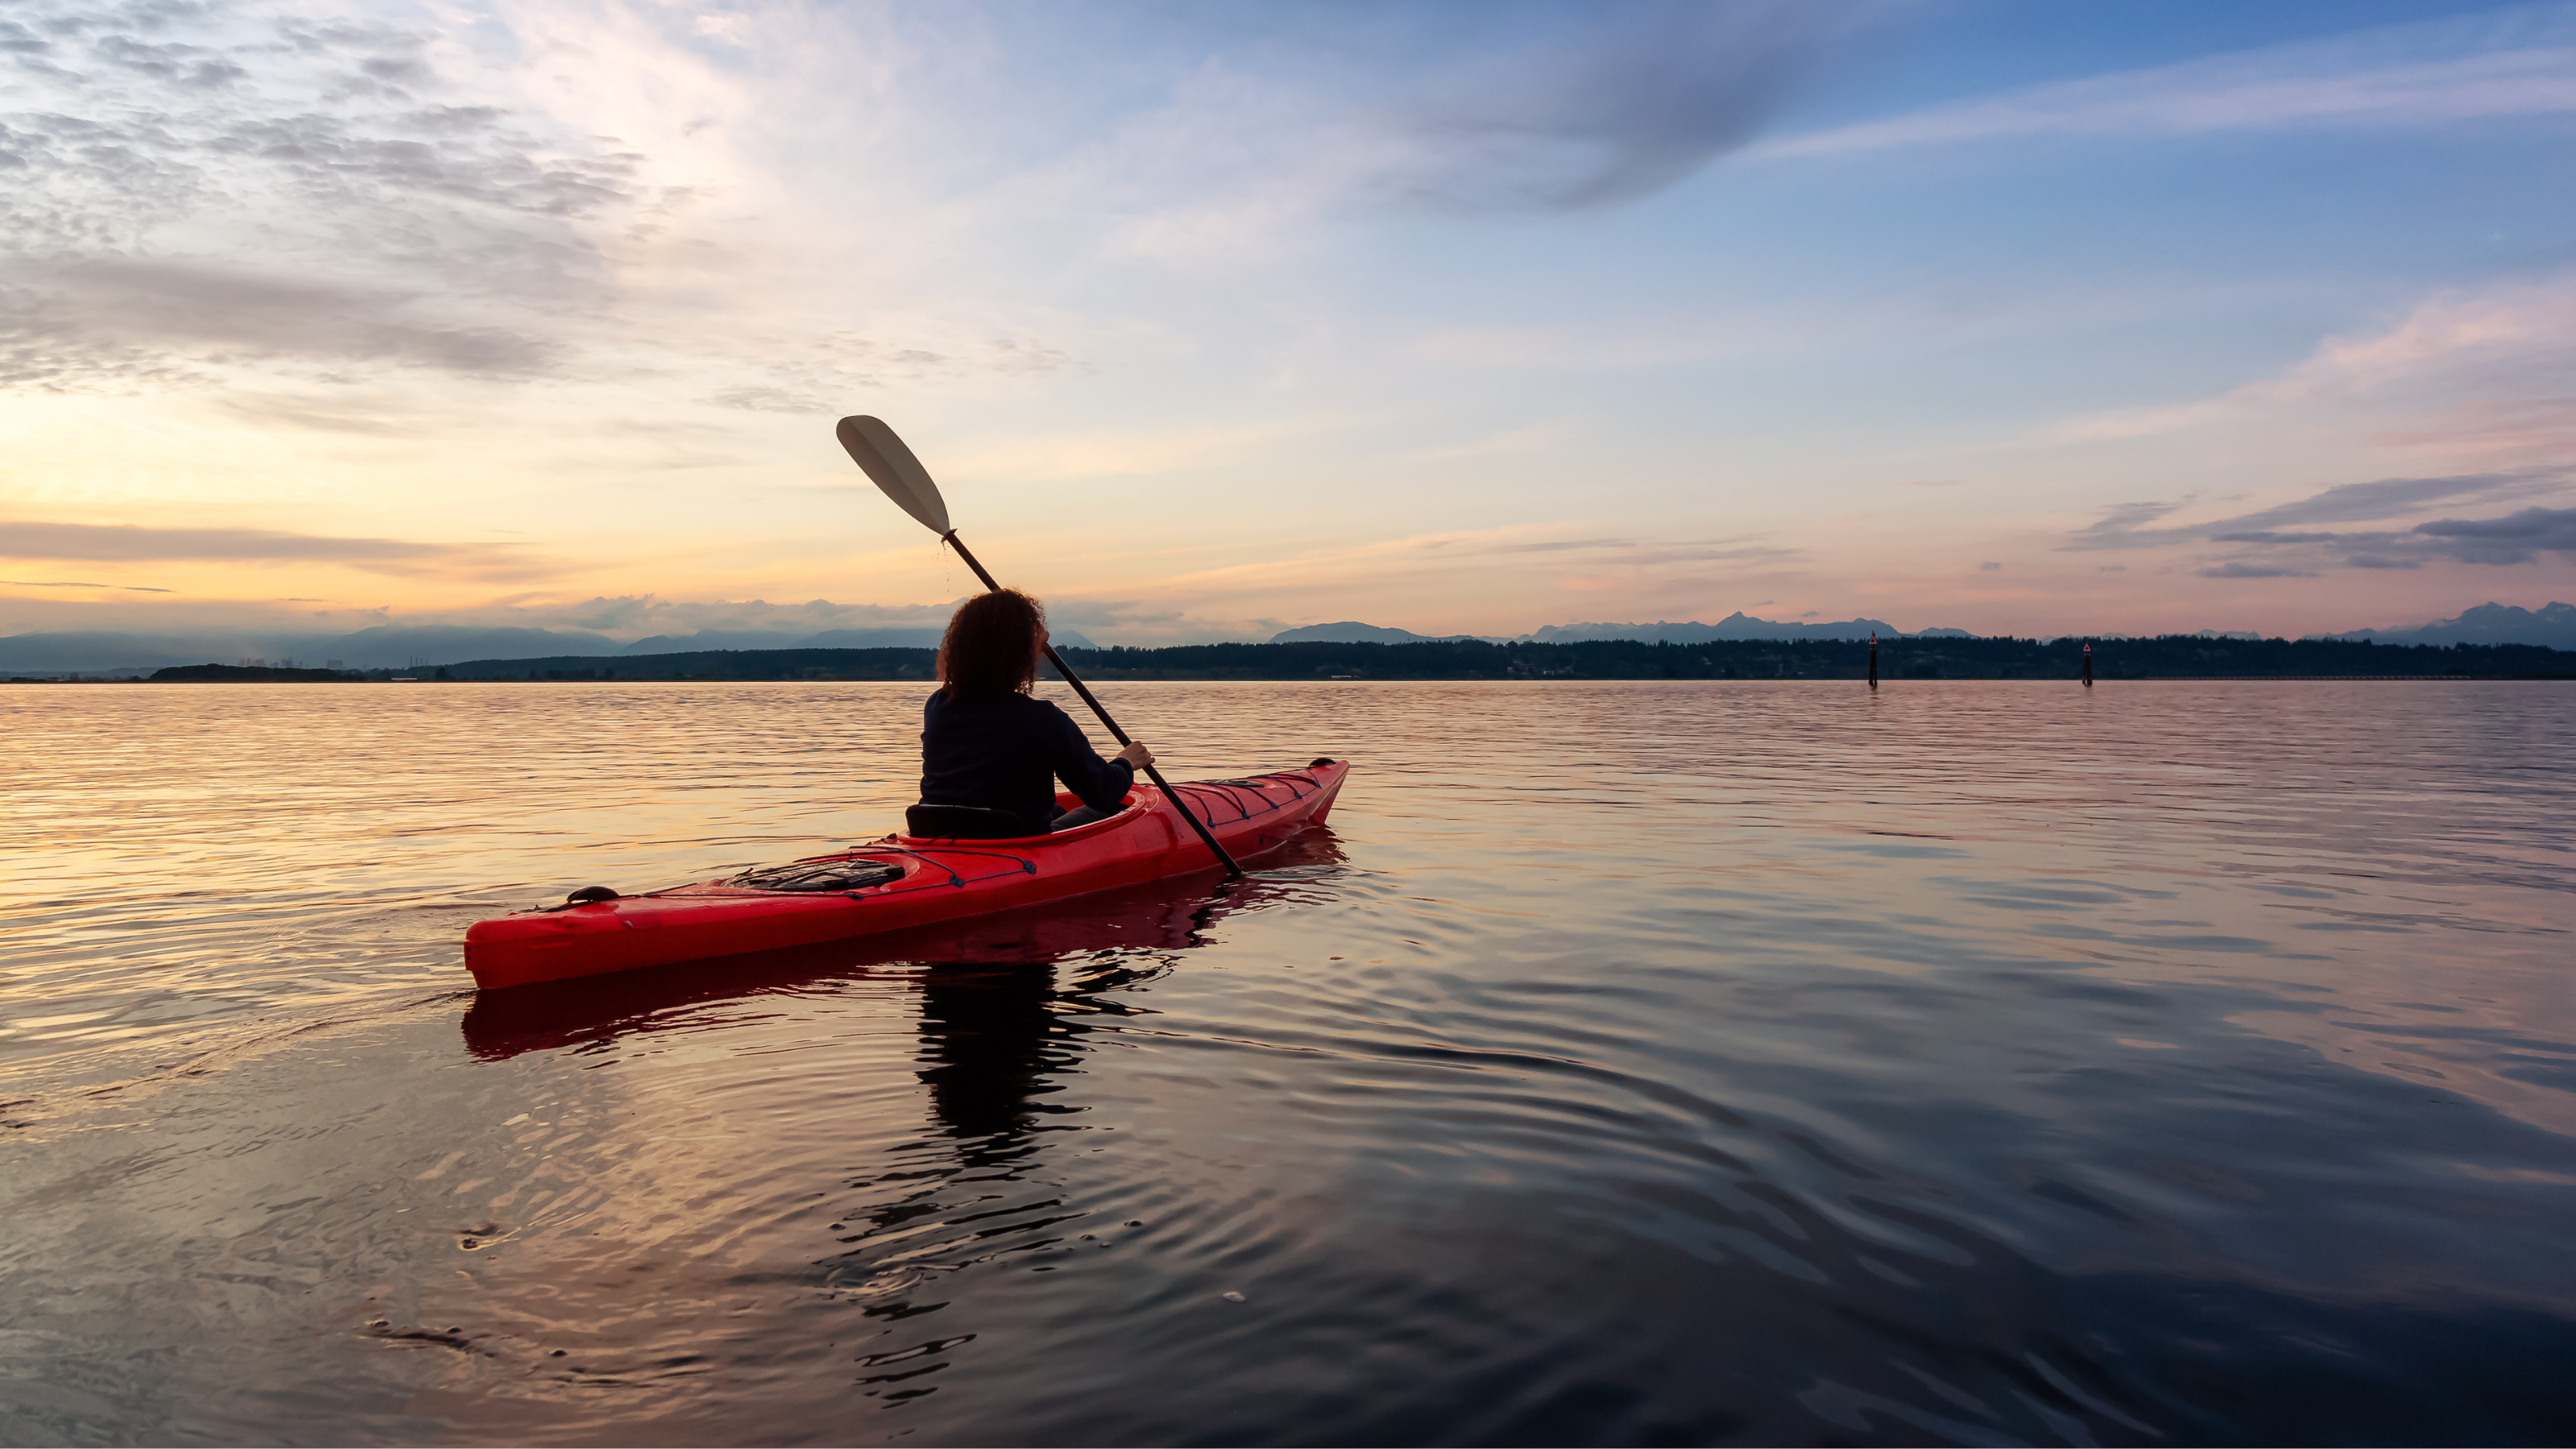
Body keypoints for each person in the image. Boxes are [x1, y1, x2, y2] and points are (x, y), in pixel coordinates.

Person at [916, 589, 1153, 837]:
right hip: (1012, 840)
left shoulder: (937, 705)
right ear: (1019, 655)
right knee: (1113, 807)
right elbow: (1103, 793)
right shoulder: (1043, 719)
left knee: (1057, 810)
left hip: (935, 831)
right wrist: (1126, 763)